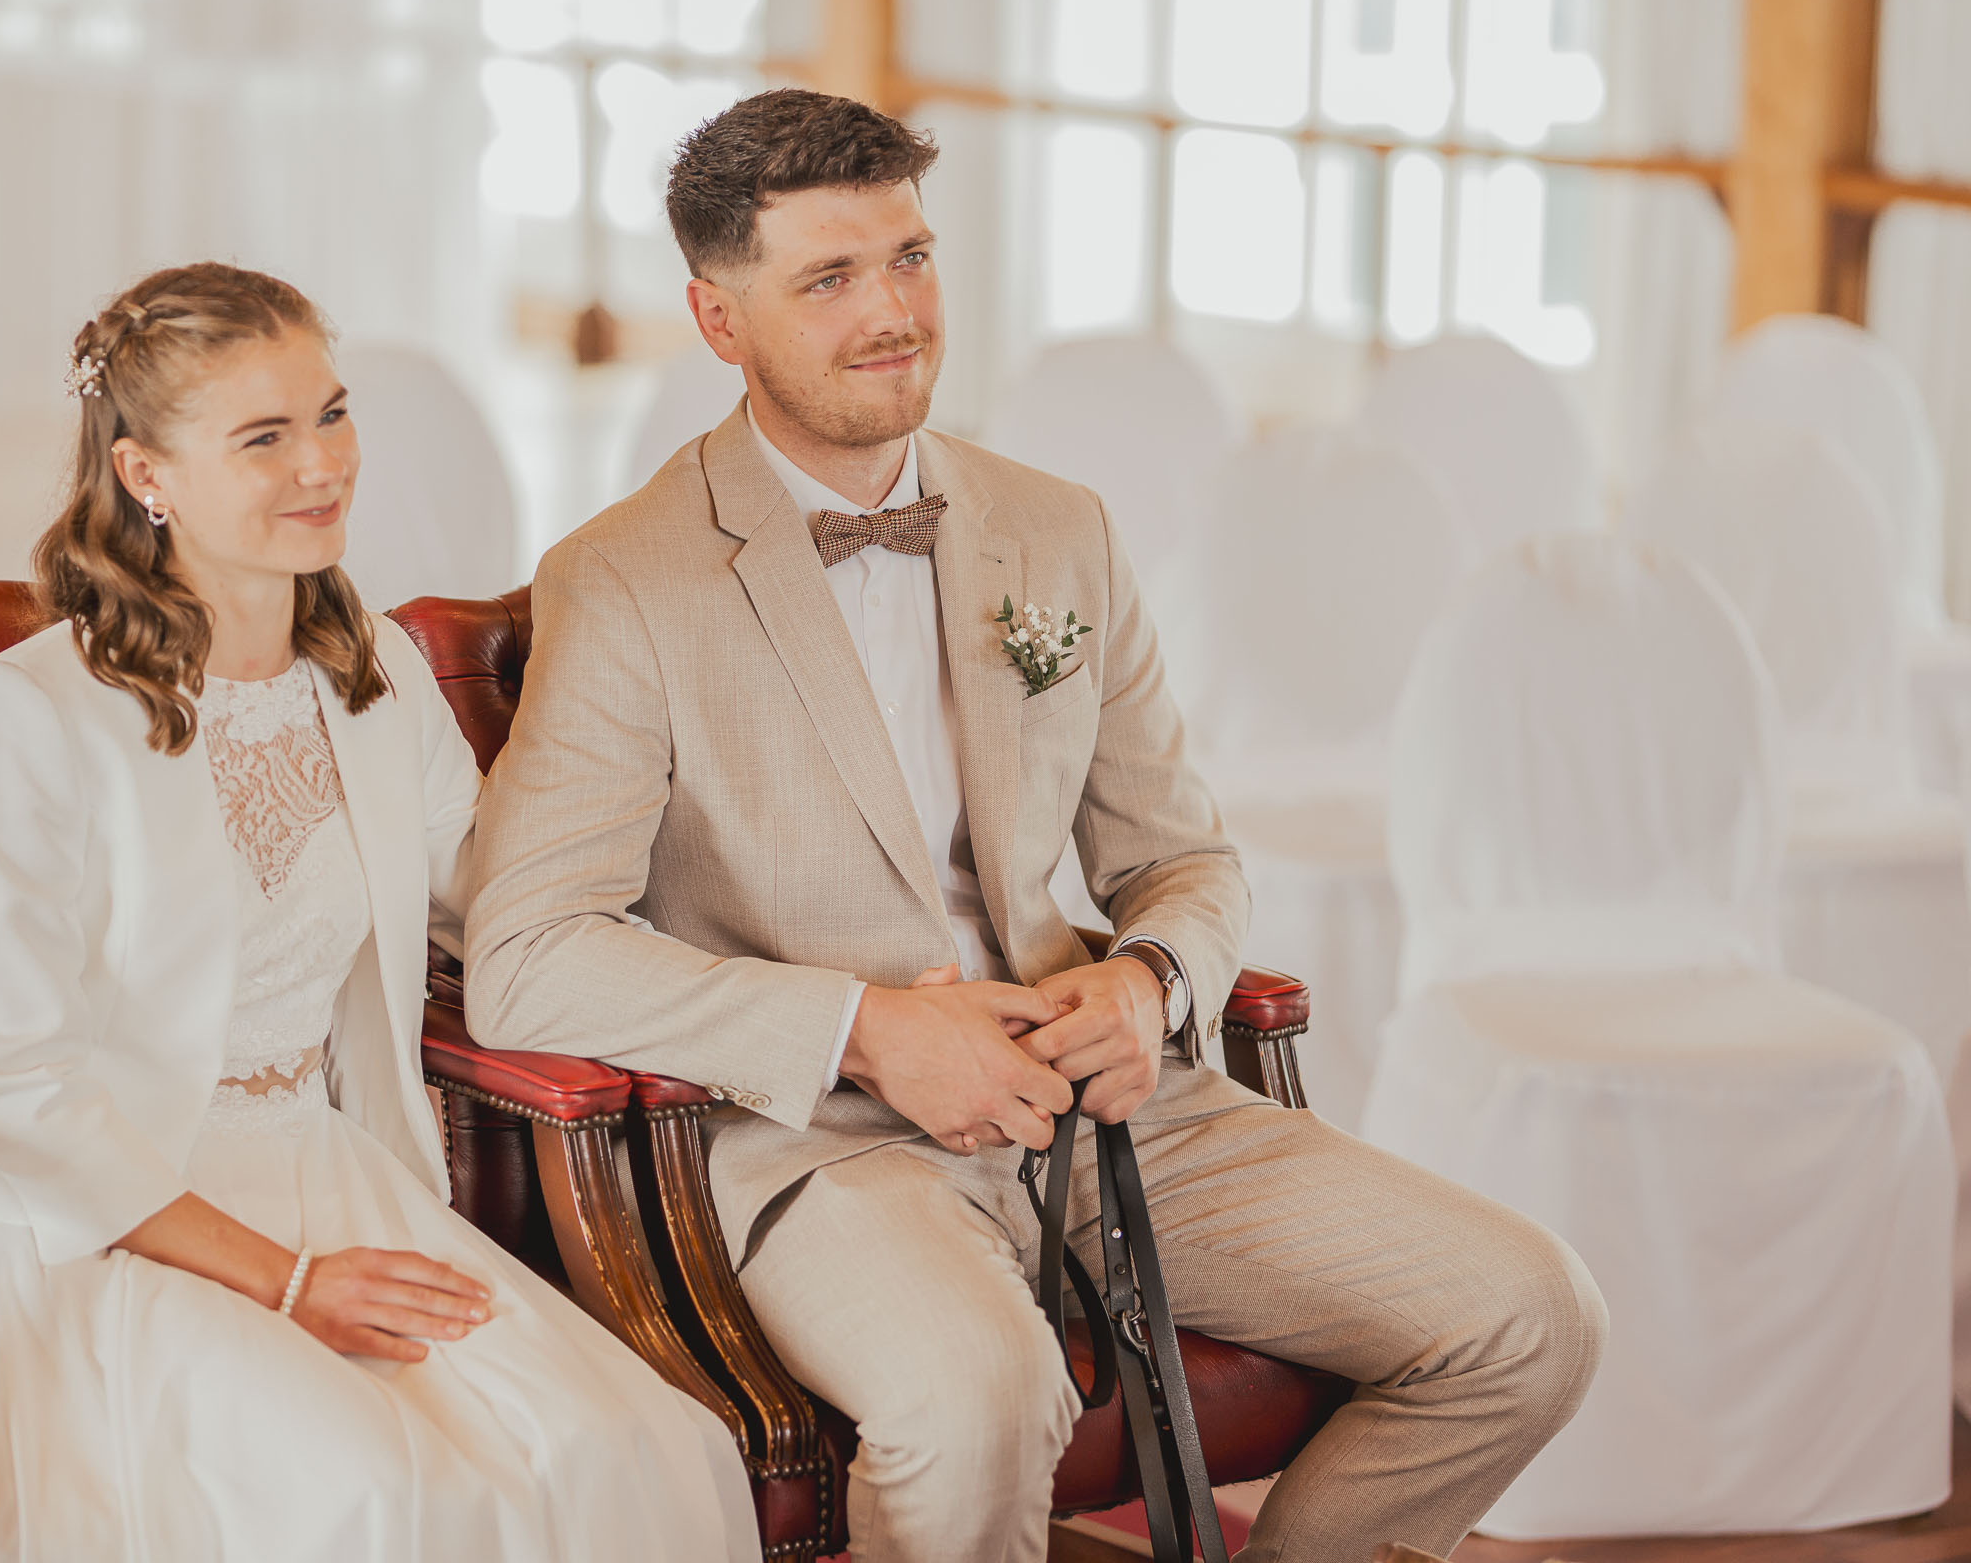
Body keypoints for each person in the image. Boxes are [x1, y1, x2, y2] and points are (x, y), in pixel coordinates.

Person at [465, 91, 1607, 1563]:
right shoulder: (623, 582)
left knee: (1532, 1317)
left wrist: (1150, 983)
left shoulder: (1057, 527)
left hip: (1111, 1113)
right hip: (819, 1144)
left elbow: (1183, 860)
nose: (894, 315)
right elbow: (528, 959)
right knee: (982, 1399)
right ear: (719, 318)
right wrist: (868, 1030)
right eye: (829, 279)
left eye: (912, 258)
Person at [0, 262, 758, 1562]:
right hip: (95, 1219)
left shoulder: (368, 666)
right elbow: (26, 1096)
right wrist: (286, 1283)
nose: (322, 464)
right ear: (146, 472)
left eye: (330, 414)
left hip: (326, 1162)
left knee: (634, 1448)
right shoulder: (34, 712)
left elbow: (498, 901)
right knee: (360, 1495)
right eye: (263, 437)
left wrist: (669, 791)